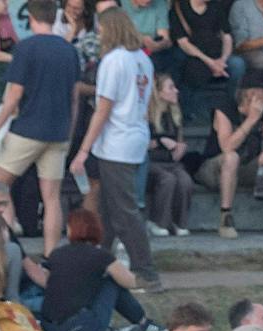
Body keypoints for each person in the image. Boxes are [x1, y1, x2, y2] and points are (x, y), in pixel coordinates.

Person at [71, 7, 158, 291]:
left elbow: (103, 108)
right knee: (109, 210)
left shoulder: (114, 60)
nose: (99, 32)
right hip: (134, 136)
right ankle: (101, 263)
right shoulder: (142, 59)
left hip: (116, 142)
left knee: (124, 211)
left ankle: (146, 272)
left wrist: (84, 149)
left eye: (101, 27)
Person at [0, 0, 77, 255]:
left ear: (32, 18)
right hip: (58, 131)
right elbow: (74, 97)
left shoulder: (25, 48)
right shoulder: (69, 51)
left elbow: (14, 95)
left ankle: (4, 249)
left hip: (28, 128)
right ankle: (50, 256)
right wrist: (68, 130)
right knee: (51, 199)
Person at [40, 203, 149, 331]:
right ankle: (142, 321)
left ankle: (138, 322)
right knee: (112, 282)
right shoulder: (100, 256)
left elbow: (47, 282)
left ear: (70, 230)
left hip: (50, 329)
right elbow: (130, 282)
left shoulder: (56, 254)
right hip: (81, 329)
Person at [209, 76, 263, 241]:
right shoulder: (225, 107)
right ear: (252, 95)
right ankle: (225, 218)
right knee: (231, 157)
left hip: (246, 166)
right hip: (215, 167)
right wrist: (251, 120)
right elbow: (226, 146)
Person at [145, 70, 193, 232]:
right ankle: (158, 222)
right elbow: (146, 144)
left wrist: (180, 148)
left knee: (184, 179)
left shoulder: (175, 115)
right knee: (167, 179)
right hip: (152, 162)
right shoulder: (148, 116)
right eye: (170, 88)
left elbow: (177, 143)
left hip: (170, 162)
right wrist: (161, 141)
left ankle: (179, 223)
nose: (176, 91)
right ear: (158, 92)